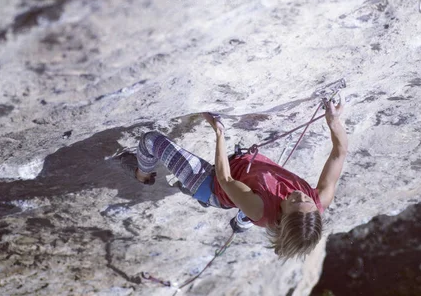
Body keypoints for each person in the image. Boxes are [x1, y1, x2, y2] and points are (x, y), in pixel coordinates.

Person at [133, 98, 348, 260]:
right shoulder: (317, 201)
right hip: (244, 181)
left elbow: (224, 178)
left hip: (211, 184)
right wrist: (334, 122)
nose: (301, 194)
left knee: (150, 141)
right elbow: (339, 153)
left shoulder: (260, 209)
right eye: (307, 200)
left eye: (295, 202)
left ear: (282, 217)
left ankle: (143, 175)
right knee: (248, 203)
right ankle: (239, 216)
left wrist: (219, 134)